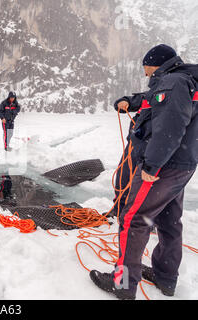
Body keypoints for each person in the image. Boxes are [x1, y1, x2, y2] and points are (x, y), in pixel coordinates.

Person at [90, 44, 198, 300]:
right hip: (181, 164)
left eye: (146, 67)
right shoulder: (183, 80)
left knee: (133, 219)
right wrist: (132, 101)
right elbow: (156, 100)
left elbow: (170, 126)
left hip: (162, 168)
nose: (146, 73)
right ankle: (165, 277)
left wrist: (152, 165)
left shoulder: (172, 83)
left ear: (155, 63)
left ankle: (123, 284)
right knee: (169, 220)